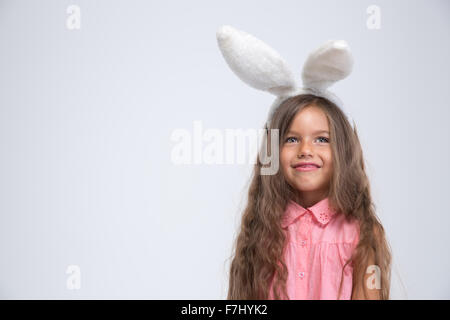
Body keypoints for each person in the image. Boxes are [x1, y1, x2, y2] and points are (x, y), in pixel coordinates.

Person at [216, 25, 392, 300]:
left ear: (342, 151)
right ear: (273, 152)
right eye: (291, 139)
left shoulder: (361, 233)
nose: (305, 150)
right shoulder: (261, 231)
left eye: (321, 139)